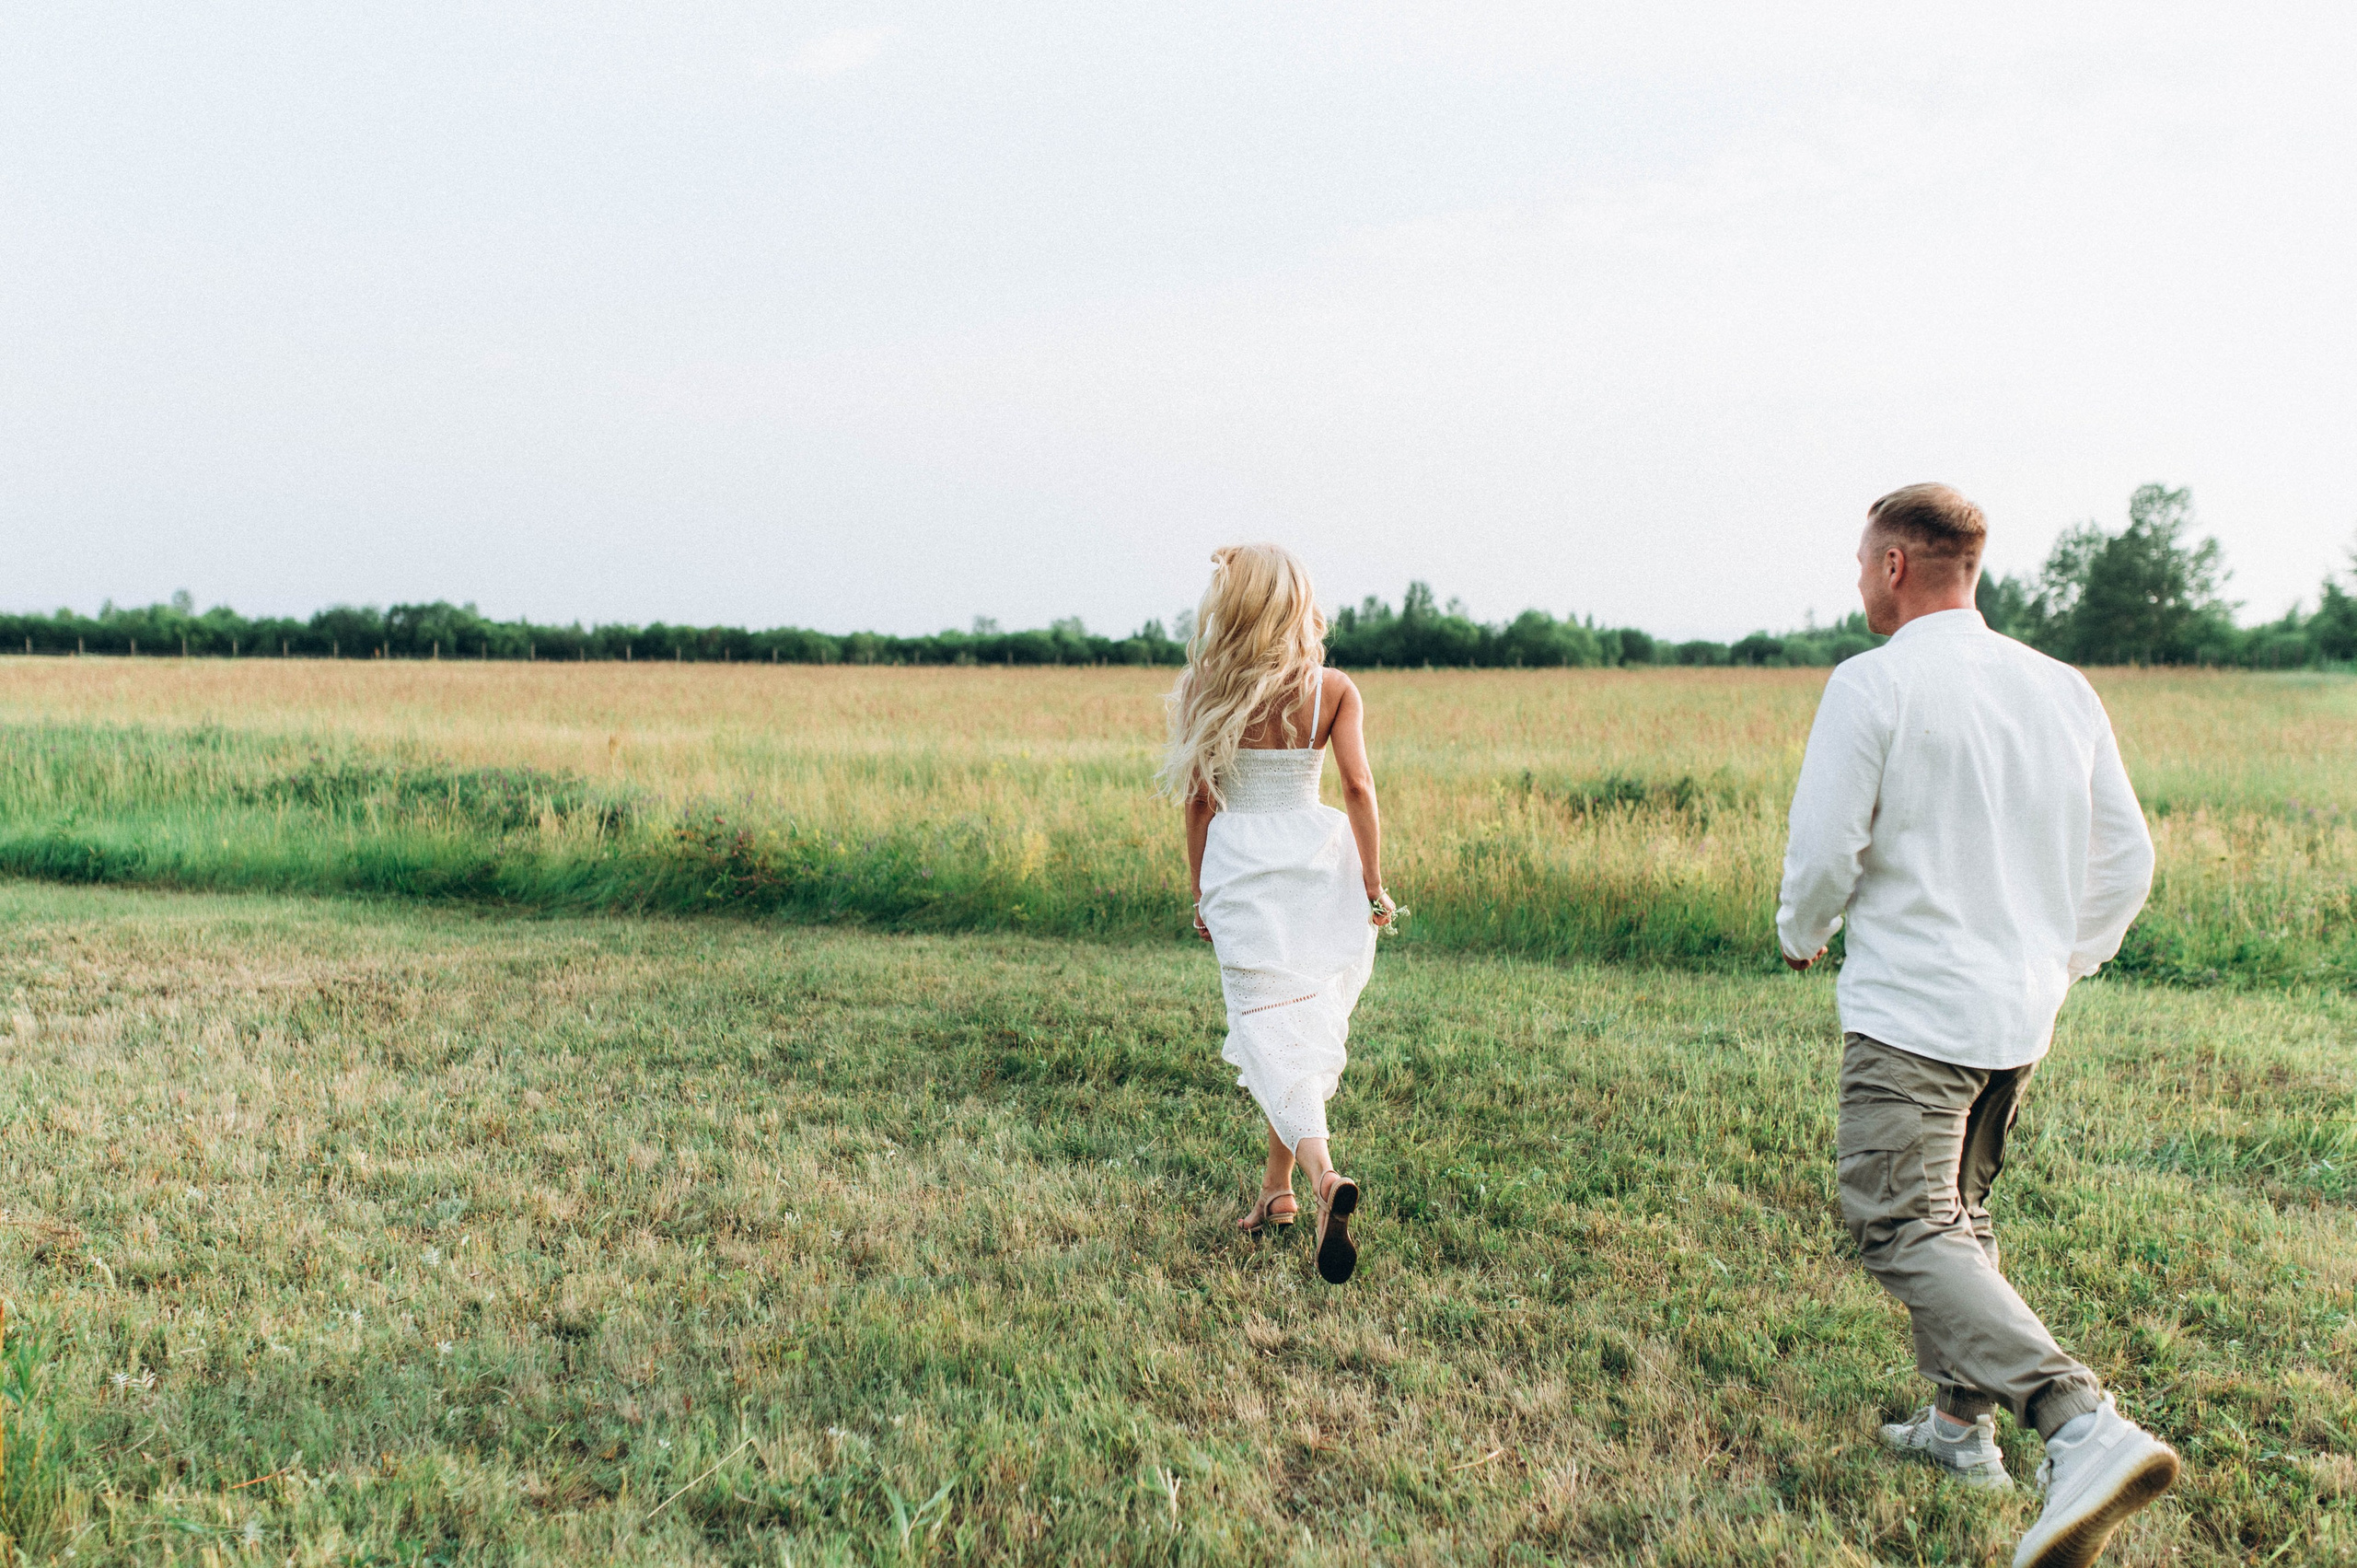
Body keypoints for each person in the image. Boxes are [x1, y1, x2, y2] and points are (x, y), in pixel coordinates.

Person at [1778, 483, 2179, 1568]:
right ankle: (1959, 1430)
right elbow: (2126, 858)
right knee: (1956, 1211)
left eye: (1861, 560)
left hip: (1914, 1010)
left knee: (1898, 1220)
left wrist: (1800, 930)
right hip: (2016, 1013)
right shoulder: (2059, 686)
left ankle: (2078, 1422)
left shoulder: (1872, 682)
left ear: (1895, 564)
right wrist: (2059, 955)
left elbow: (1824, 847)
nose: (1857, 579)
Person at [1162, 543, 1397, 1285]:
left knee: (1268, 1028)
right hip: (1316, 863)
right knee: (1291, 1026)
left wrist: (1200, 890)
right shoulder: (1333, 689)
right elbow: (1357, 788)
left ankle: (1322, 1177)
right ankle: (1278, 1190)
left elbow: (1200, 801)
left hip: (1242, 870)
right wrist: (1372, 883)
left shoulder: (1206, 688)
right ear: (1297, 604)